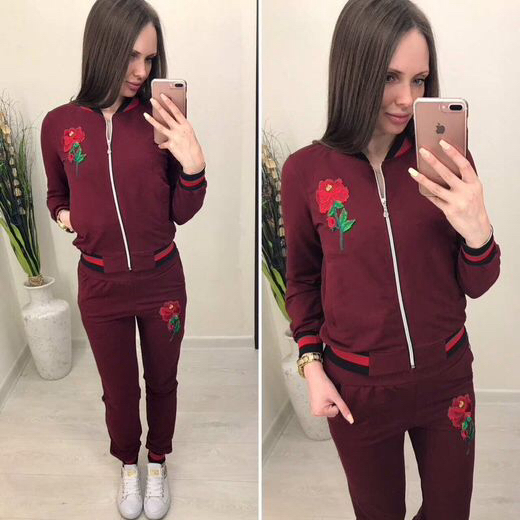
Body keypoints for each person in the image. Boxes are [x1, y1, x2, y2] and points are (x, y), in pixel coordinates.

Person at [281, 1, 501, 519]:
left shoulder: (446, 161)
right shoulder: (305, 171)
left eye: (420, 79)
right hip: (358, 388)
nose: (408, 99)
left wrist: (478, 232)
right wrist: (311, 366)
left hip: (445, 375)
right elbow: (303, 280)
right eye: (389, 77)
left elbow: (478, 282)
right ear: (353, 70)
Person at [40, 1, 206, 518]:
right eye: (131, 56)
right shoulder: (59, 124)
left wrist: (193, 165)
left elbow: (182, 210)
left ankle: (157, 462)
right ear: (102, 48)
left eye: (150, 59)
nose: (141, 71)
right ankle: (128, 465)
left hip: (161, 279)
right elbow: (55, 193)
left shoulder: (161, 119)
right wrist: (67, 217)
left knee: (162, 380)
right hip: (100, 285)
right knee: (118, 389)